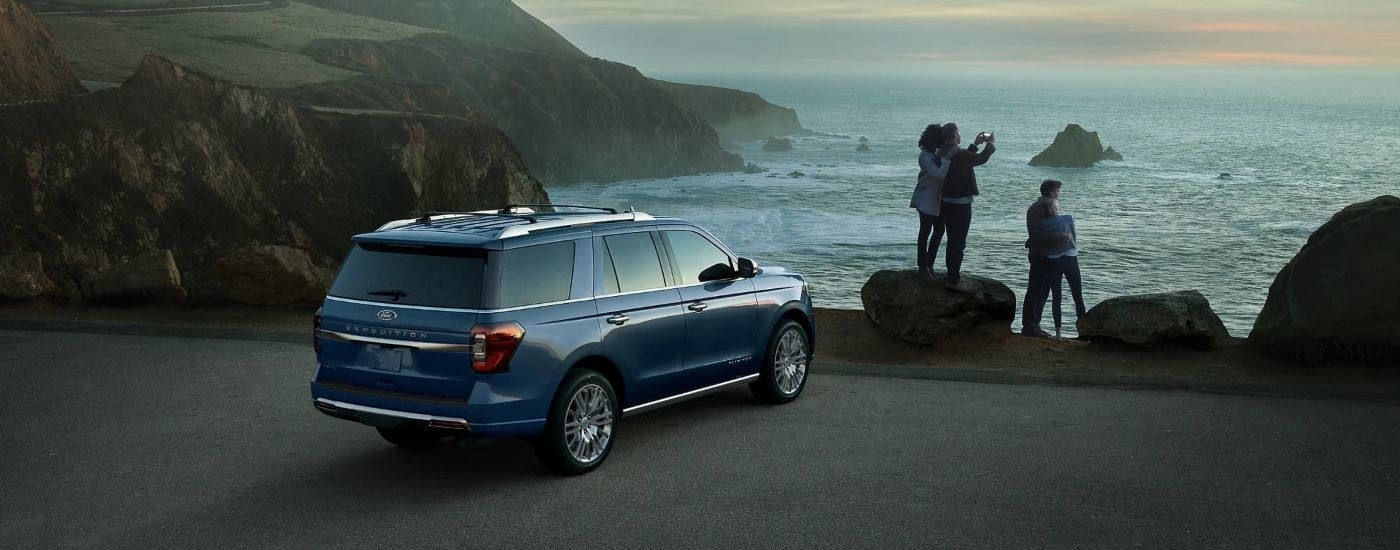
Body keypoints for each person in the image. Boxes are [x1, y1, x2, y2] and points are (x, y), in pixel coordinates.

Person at [935, 123, 995, 292]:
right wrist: (991, 144)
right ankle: (954, 280)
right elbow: (979, 159)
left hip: (944, 202)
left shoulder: (940, 151)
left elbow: (964, 159)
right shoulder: (958, 153)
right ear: (954, 135)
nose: (960, 135)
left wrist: (975, 144)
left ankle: (950, 274)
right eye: (959, 133)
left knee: (951, 240)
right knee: (958, 242)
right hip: (960, 204)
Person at [1022, 180, 1086, 338]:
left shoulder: (1049, 205)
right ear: (1051, 192)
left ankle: (1034, 325)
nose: (1059, 193)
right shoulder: (1036, 209)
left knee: (1044, 290)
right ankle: (1029, 326)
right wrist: (1058, 237)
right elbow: (1035, 234)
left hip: (1048, 254)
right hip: (1039, 255)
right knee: (1036, 290)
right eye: (1057, 190)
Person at [911, 123, 950, 283]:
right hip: (925, 199)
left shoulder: (933, 153)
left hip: (935, 200)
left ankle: (929, 265)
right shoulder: (925, 156)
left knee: (939, 230)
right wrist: (947, 159)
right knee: (925, 233)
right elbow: (939, 175)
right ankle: (923, 268)